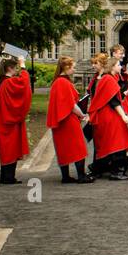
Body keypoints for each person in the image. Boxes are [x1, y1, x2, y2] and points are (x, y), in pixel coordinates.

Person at [46, 56, 94, 184]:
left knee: (63, 148)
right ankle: (81, 175)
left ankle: (66, 176)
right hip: (67, 119)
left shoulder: (57, 82)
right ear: (66, 67)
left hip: (61, 120)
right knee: (78, 147)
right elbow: (71, 105)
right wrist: (82, 115)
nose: (74, 69)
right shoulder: (63, 82)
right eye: (72, 67)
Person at [89, 56, 128, 180]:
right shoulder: (109, 79)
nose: (121, 66)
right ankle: (116, 172)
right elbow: (114, 101)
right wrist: (123, 116)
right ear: (113, 67)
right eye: (118, 65)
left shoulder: (107, 78)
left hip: (107, 115)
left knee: (113, 143)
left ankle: (105, 169)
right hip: (109, 115)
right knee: (116, 143)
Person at [0, 56, 33, 184]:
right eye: (15, 68)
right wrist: (23, 65)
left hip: (3, 121)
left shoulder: (3, 83)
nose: (17, 70)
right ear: (9, 68)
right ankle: (8, 178)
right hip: (9, 123)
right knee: (10, 149)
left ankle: (6, 177)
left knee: (7, 150)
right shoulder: (8, 82)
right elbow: (24, 83)